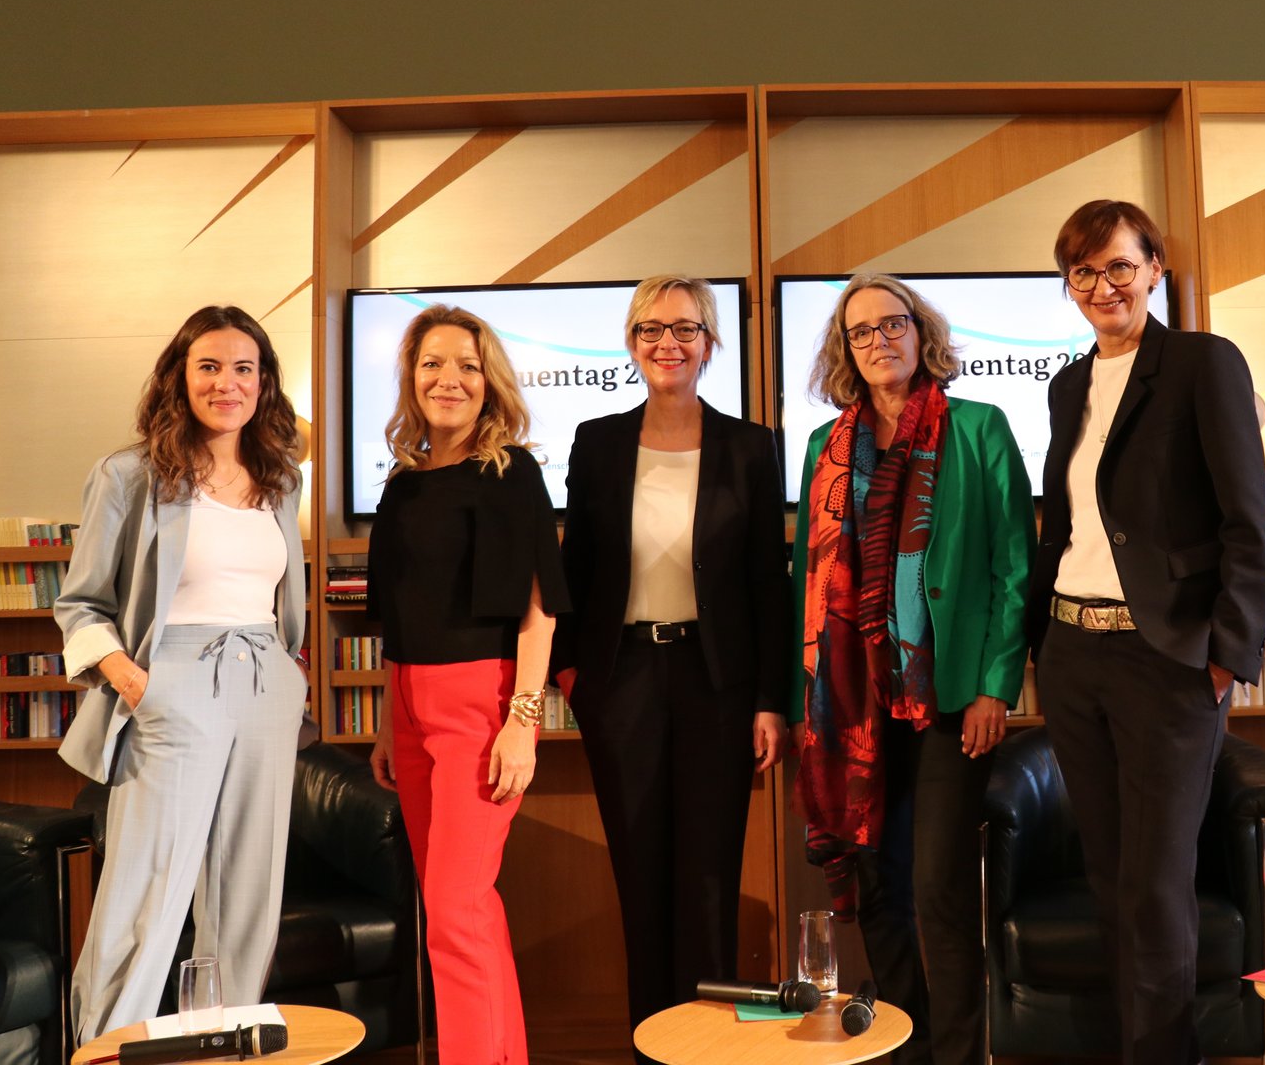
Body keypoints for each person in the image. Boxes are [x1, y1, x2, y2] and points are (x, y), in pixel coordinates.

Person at [1023, 199, 1265, 1065]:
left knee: (1158, 887)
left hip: (1165, 660)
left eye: (1119, 266)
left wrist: (1224, 656)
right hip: (1072, 653)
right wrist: (1037, 650)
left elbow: (1248, 521)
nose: (1103, 286)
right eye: (1084, 273)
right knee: (1110, 879)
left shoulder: (1203, 365)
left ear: (1155, 269)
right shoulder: (1067, 383)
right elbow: (1062, 525)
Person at [792, 273, 1034, 1065]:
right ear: (845, 351)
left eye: (891, 324)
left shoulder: (978, 427)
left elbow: (1011, 567)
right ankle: (909, 1040)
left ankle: (963, 1053)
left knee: (938, 890)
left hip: (950, 697)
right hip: (852, 703)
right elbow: (809, 579)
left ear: (919, 331)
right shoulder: (824, 449)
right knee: (875, 886)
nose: (878, 341)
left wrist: (997, 683)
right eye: (860, 332)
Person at [57, 305, 309, 1041]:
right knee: (148, 891)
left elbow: (278, 597)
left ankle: (221, 1046)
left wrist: (289, 681)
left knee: (247, 896)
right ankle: (104, 1051)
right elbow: (80, 605)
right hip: (171, 686)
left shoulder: (280, 478)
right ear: (180, 376)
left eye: (243, 369)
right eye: (209, 366)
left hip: (265, 689)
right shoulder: (129, 474)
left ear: (263, 384)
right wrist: (137, 683)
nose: (226, 383)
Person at [553, 275, 789, 1060]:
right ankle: (649, 1043)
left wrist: (769, 699)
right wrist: (569, 676)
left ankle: (711, 1045)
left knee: (710, 876)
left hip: (716, 683)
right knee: (641, 874)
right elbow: (576, 568)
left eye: (686, 329)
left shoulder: (750, 446)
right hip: (621, 682)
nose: (669, 343)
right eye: (652, 329)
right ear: (630, 343)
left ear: (710, 344)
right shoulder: (597, 441)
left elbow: (766, 582)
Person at [367, 304, 569, 1065]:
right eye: (432, 364)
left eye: (467, 365)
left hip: (480, 706)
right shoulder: (401, 486)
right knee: (460, 911)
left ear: (490, 382)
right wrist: (390, 723)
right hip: (412, 707)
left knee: (455, 909)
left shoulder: (510, 471)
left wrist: (523, 721)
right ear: (411, 379)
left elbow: (539, 608)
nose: (448, 379)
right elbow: (398, 620)